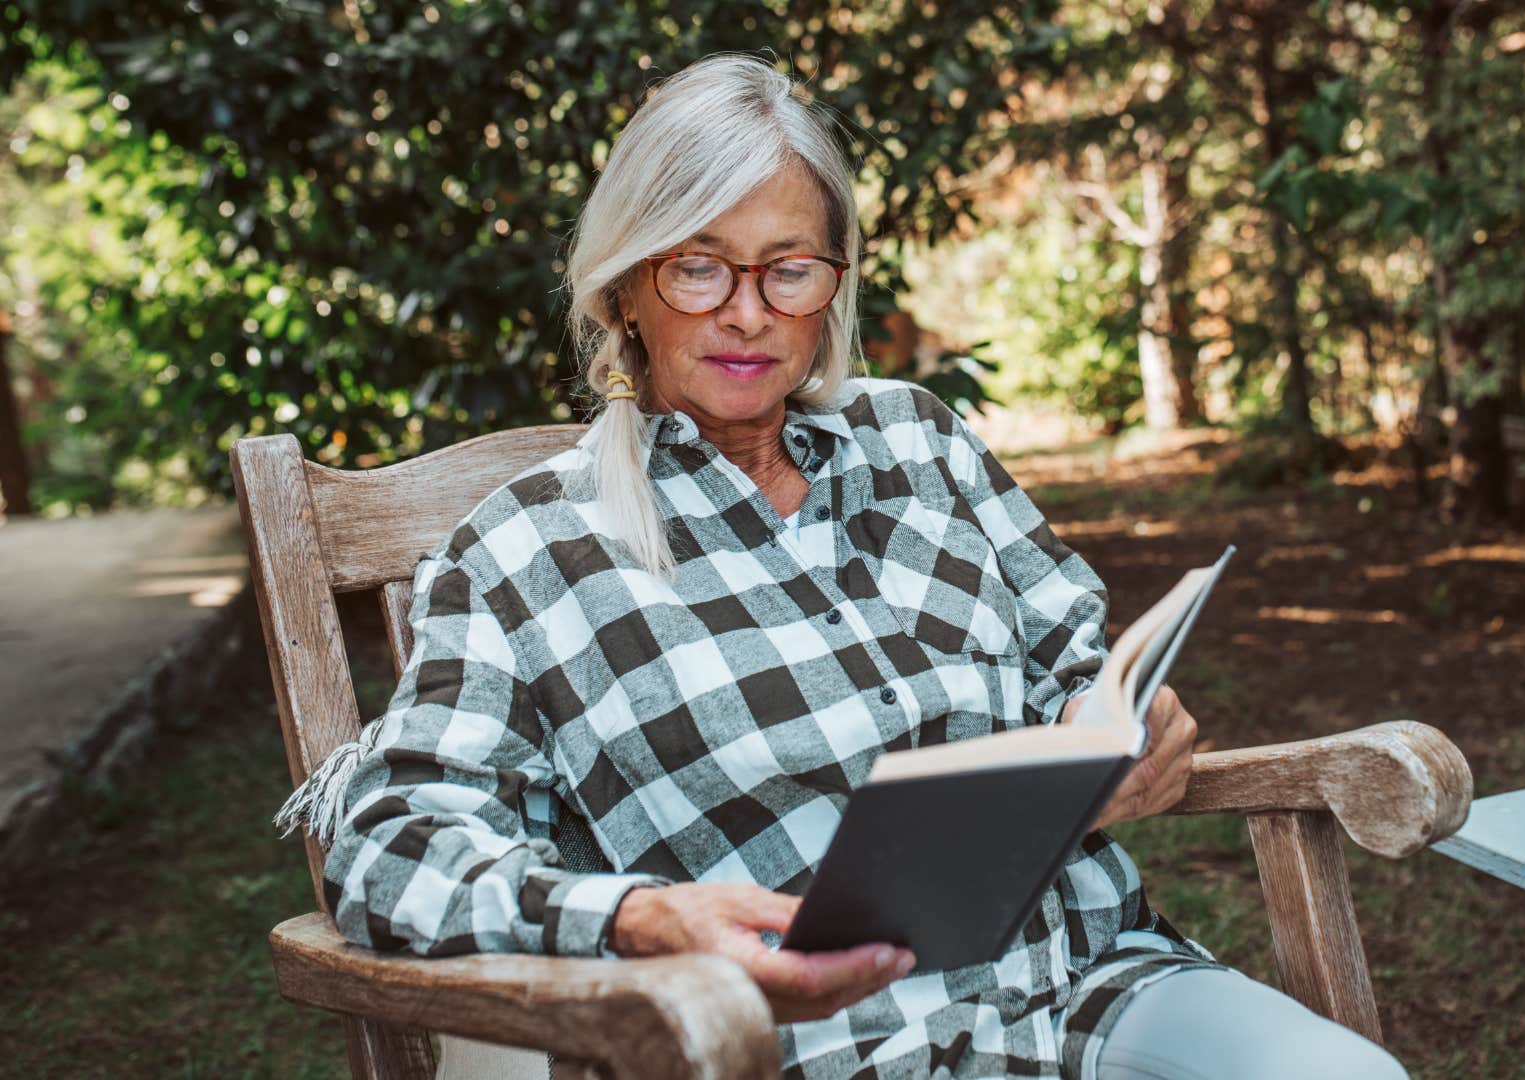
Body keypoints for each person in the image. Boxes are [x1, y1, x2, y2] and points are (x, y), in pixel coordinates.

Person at [287, 54, 1407, 1080]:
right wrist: (639, 919)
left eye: (788, 270)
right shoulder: (527, 552)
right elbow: (390, 848)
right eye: (697, 268)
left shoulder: (921, 442)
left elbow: (1078, 665)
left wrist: (1130, 732)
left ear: (834, 280)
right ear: (626, 284)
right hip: (821, 1048)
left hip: (1083, 984)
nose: (747, 314)